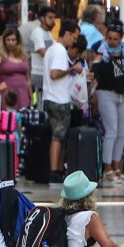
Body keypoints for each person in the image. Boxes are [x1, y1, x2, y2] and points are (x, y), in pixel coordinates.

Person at [92, 21, 124, 184]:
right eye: (109, 38)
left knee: (121, 133)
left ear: (121, 39)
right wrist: (97, 62)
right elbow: (95, 72)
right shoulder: (101, 53)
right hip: (106, 94)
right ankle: (107, 168)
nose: (112, 42)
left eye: (115, 39)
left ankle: (118, 168)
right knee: (111, 131)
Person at [42, 19, 84, 181]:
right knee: (59, 136)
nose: (75, 41)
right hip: (59, 98)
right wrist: (72, 69)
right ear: (66, 33)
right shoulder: (60, 50)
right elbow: (54, 74)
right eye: (74, 37)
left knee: (58, 134)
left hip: (50, 96)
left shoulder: (52, 49)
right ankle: (55, 170)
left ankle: (57, 168)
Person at [0, 28, 31, 111]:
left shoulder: (23, 56)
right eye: (8, 40)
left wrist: (31, 98)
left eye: (13, 40)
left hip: (23, 94)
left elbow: (28, 80)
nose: (10, 42)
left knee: (21, 121)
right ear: (4, 41)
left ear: (18, 41)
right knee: (7, 121)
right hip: (7, 96)